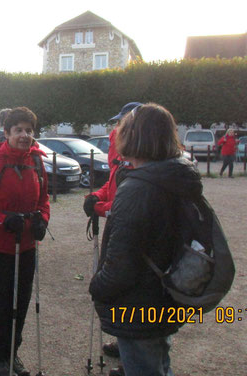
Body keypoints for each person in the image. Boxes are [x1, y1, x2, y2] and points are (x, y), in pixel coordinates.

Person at [89, 103, 202, 376]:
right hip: (166, 292)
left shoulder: (140, 188)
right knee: (159, 363)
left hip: (140, 302)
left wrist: (98, 287)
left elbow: (121, 263)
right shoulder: (173, 176)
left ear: (133, 136)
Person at [0, 107, 50, 376]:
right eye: (18, 130)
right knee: (0, 305)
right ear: (6, 133)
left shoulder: (36, 162)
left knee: (21, 303)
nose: (25, 135)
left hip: (26, 246)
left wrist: (42, 220)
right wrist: (3, 220)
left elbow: (43, 200)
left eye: (29, 130)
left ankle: (12, 353)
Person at [82, 102, 141, 375]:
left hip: (128, 228)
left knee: (131, 288)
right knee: (123, 289)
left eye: (124, 122)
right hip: (117, 224)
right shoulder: (119, 146)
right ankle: (125, 345)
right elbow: (114, 184)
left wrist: (100, 207)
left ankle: (136, 359)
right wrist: (97, 196)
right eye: (119, 122)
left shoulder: (142, 155)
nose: (118, 126)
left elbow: (126, 203)